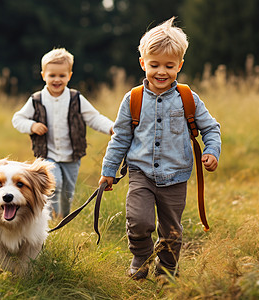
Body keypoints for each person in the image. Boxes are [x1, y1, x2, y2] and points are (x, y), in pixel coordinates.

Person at [98, 17, 221, 281]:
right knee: (139, 221)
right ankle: (141, 256)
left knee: (172, 231)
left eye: (169, 65)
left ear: (180, 65)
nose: (161, 72)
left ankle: (167, 270)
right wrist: (108, 171)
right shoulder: (133, 99)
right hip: (141, 172)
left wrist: (212, 151)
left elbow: (211, 128)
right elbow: (120, 138)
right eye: (154, 65)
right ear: (143, 63)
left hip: (176, 176)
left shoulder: (188, 98)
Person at [13, 48, 114, 218]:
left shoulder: (76, 98)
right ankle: (49, 217)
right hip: (47, 153)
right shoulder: (37, 99)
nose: (57, 80)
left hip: (72, 155)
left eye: (62, 75)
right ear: (43, 75)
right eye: (52, 75)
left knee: (68, 191)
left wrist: (111, 128)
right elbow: (18, 119)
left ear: (70, 75)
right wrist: (32, 126)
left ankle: (65, 217)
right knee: (54, 183)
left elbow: (94, 118)